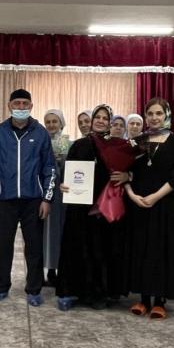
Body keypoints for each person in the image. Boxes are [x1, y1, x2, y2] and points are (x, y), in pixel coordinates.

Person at [0, 89, 56, 306]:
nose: (21, 107)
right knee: (3, 245)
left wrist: (47, 199)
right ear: (9, 106)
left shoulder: (41, 133)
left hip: (33, 200)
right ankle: (0, 287)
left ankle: (34, 289)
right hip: (5, 199)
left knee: (34, 246)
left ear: (31, 106)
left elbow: (50, 168)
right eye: (17, 103)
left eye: (25, 103)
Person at [56, 104, 129, 310]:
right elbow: (68, 172)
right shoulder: (79, 145)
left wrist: (127, 176)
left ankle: (100, 293)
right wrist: (63, 185)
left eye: (105, 118)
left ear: (110, 122)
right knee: (78, 247)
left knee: (101, 250)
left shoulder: (117, 146)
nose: (100, 121)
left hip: (104, 206)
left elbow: (130, 170)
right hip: (80, 207)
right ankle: (72, 292)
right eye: (98, 117)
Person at [124, 98, 174, 319]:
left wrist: (155, 196)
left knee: (161, 251)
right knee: (141, 249)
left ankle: (160, 301)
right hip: (139, 204)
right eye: (150, 113)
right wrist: (132, 195)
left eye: (159, 113)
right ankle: (143, 299)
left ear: (166, 115)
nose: (154, 118)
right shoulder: (137, 141)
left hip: (164, 204)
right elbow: (125, 172)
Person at [43, 108, 70, 288]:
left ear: (61, 123)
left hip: (63, 194)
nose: (51, 125)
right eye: (48, 122)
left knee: (61, 231)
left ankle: (60, 270)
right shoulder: (41, 142)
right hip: (45, 194)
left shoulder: (69, 143)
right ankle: (46, 270)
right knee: (45, 233)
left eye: (55, 121)